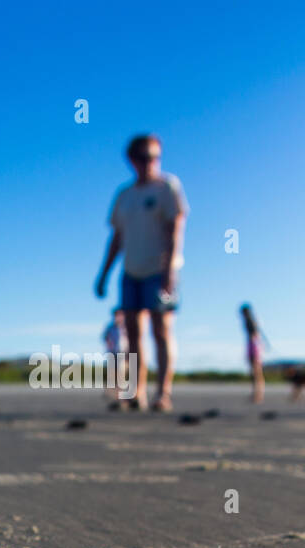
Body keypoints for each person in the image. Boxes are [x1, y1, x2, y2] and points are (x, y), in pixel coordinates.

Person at [95, 134, 188, 412]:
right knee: (133, 334)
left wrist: (170, 269)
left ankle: (163, 393)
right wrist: (103, 274)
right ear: (132, 160)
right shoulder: (124, 196)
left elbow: (176, 229)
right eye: (145, 158)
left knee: (161, 330)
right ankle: (136, 392)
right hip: (130, 272)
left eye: (156, 157)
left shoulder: (167, 187)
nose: (151, 163)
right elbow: (117, 238)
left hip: (159, 270)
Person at [101, 307, 129, 408]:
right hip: (113, 354)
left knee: (122, 377)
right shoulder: (110, 328)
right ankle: (116, 397)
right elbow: (105, 338)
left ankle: (123, 398)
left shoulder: (125, 327)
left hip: (124, 354)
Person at [240, 304, 268, 403]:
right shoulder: (252, 320)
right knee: (256, 373)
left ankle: (258, 395)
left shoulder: (250, 321)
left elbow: (255, 335)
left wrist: (253, 350)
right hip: (255, 346)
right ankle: (257, 394)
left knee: (256, 373)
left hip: (254, 347)